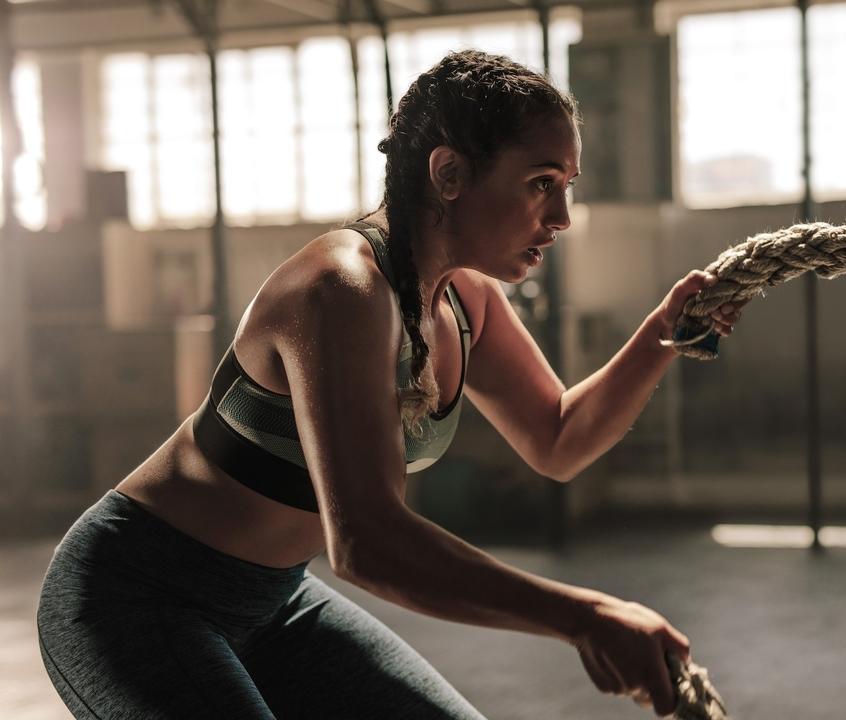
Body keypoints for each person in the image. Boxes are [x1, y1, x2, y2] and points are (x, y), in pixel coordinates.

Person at [37, 50, 743, 719]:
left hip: (275, 601)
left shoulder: (465, 299)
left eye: (566, 189)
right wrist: (583, 618)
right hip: (138, 597)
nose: (558, 219)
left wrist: (663, 334)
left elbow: (557, 438)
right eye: (540, 184)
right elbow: (366, 541)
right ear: (449, 173)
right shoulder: (340, 290)